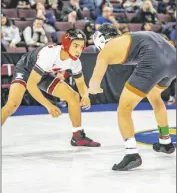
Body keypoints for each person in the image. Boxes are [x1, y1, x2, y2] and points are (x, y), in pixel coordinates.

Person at [89, 24, 176, 171]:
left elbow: (94, 82)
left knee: (124, 108)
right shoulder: (129, 37)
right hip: (173, 60)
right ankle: (165, 142)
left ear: (101, 40)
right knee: (155, 97)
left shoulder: (109, 48)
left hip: (153, 60)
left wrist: (92, 89)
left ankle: (132, 154)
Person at [1, 28, 100, 147]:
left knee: (73, 96)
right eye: (75, 46)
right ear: (66, 44)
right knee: (12, 105)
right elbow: (31, 85)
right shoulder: (50, 55)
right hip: (26, 69)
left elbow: (80, 83)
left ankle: (77, 136)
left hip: (43, 73)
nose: (79, 50)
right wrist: (49, 105)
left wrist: (85, 96)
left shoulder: (75, 62)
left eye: (81, 47)